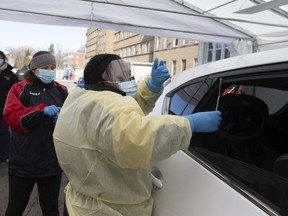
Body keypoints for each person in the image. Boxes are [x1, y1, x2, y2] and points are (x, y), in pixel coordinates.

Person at [53, 54, 222, 215]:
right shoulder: (105, 108)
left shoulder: (81, 98)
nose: (128, 81)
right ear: (102, 81)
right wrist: (188, 124)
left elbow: (123, 115)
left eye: (128, 76)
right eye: (121, 78)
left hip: (80, 200)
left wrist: (151, 87)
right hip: (108, 209)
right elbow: (137, 137)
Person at [3, 51, 68, 216]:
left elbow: (72, 119)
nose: (50, 70)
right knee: (15, 209)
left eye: (53, 67)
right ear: (34, 69)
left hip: (51, 163)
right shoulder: (19, 88)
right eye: (45, 67)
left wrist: (64, 119)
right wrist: (41, 112)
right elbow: (11, 116)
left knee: (51, 209)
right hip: (24, 163)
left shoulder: (62, 90)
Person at [0, 51, 18, 165]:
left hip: (4, 110)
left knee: (3, 134)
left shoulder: (11, 75)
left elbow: (16, 93)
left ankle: (3, 157)